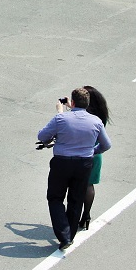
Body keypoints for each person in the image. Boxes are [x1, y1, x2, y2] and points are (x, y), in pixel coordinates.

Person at [37, 87, 112, 250]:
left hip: (62, 162)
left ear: (71, 102)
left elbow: (42, 136)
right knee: (76, 200)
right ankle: (69, 235)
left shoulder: (61, 119)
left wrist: (60, 113)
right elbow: (106, 145)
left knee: (55, 198)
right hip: (84, 164)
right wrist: (92, 151)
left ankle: (64, 236)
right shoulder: (96, 122)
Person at [79, 85, 109, 232]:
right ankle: (87, 215)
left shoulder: (86, 116)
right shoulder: (100, 116)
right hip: (96, 155)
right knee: (89, 186)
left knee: (75, 184)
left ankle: (75, 214)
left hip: (83, 154)